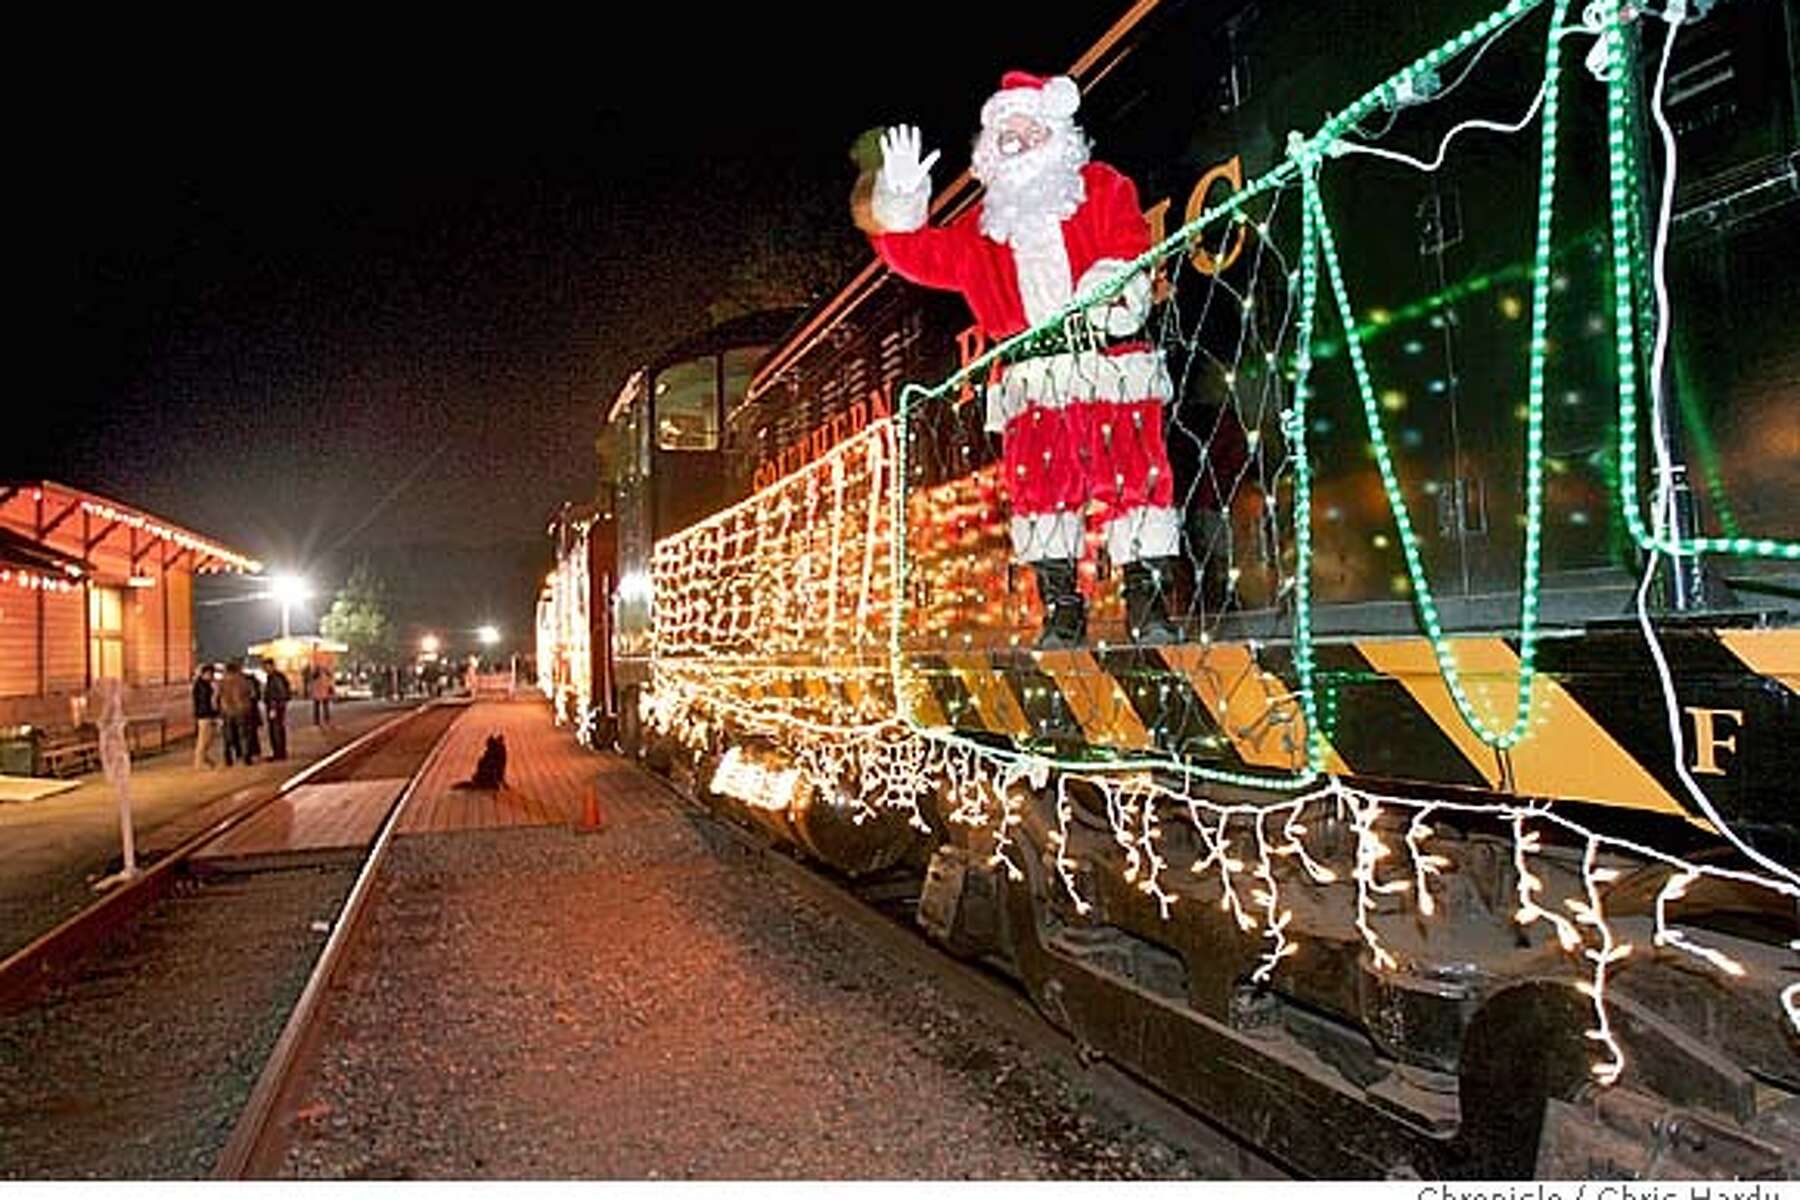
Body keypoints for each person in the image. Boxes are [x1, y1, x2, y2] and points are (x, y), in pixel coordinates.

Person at [859, 71, 1179, 646]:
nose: (1015, 139)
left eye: (1027, 127)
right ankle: (1062, 613)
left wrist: (1109, 289)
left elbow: (1129, 247)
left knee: (1136, 480)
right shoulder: (981, 230)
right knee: (1042, 495)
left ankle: (1149, 607)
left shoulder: (1102, 187)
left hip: (1110, 363)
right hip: (1033, 382)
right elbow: (915, 256)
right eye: (1003, 131)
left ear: (1057, 132)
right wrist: (901, 203)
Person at [216, 659, 256, 766]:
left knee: (228, 737)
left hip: (227, 712)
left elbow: (215, 697)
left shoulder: (222, 682)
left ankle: (228, 759)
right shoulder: (244, 681)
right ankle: (246, 758)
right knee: (243, 735)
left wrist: (218, 711)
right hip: (242, 710)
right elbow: (253, 694)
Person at [191, 663, 221, 769]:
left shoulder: (206, 684)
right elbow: (208, 701)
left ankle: (204, 758)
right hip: (204, 715)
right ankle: (199, 762)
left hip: (209, 715)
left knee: (209, 738)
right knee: (203, 739)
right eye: (210, 674)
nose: (212, 676)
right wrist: (215, 692)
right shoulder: (201, 685)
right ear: (204, 673)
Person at [262, 658, 292, 760]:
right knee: (277, 730)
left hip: (275, 707)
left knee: (276, 730)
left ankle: (279, 753)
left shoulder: (275, 677)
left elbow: (279, 694)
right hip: (276, 707)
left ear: (271, 666)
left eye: (266, 666)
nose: (265, 669)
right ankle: (279, 752)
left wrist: (273, 707)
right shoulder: (274, 677)